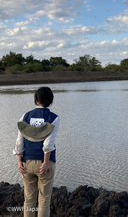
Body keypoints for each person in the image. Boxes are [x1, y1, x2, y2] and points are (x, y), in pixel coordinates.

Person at [13, 86, 60, 217]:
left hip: (26, 163)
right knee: (44, 199)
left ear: (36, 99)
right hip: (44, 163)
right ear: (51, 101)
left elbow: (19, 141)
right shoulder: (53, 118)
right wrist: (45, 162)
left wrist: (18, 161)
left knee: (29, 200)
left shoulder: (25, 116)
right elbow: (48, 143)